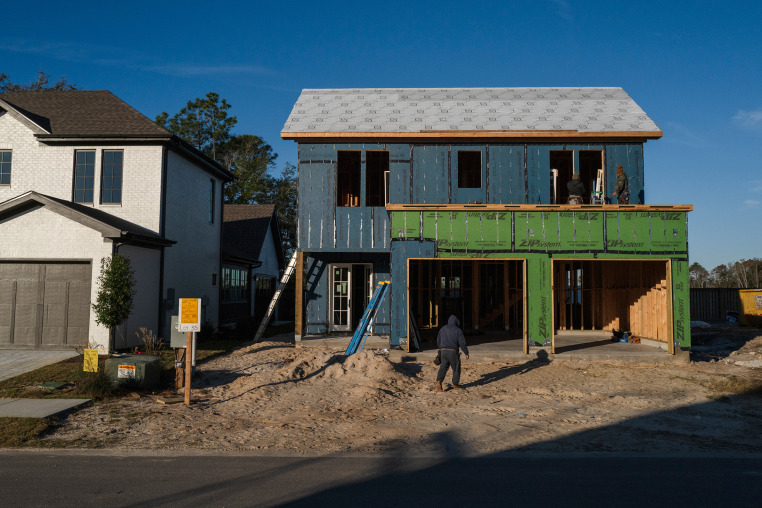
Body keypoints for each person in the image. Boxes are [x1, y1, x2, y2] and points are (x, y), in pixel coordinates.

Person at [436, 315, 469, 392]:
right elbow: (462, 343)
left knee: (443, 367)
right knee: (456, 368)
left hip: (443, 351)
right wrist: (466, 352)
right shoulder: (458, 330)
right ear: (457, 322)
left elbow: (438, 340)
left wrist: (441, 348)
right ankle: (455, 384)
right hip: (453, 351)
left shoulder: (442, 329)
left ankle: (439, 382)